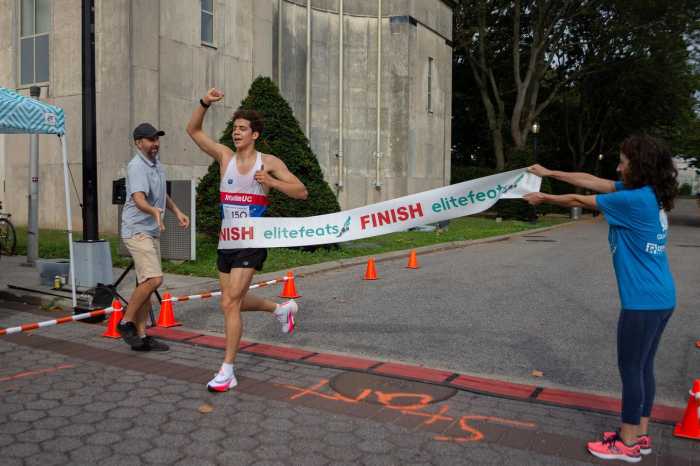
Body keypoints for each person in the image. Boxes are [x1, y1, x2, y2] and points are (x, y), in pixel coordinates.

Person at [524, 134, 677, 463]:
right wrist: (550, 172)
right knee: (643, 366)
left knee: (631, 368)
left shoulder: (633, 201)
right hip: (661, 297)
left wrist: (543, 198)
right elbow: (592, 182)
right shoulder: (647, 194)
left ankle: (627, 443)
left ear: (640, 165)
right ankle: (639, 434)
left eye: (624, 161)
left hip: (643, 302)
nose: (618, 166)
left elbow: (578, 200)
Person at [186, 88, 308, 393]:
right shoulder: (224, 156)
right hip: (227, 241)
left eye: (242, 129)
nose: (236, 132)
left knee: (229, 303)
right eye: (235, 128)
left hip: (252, 240)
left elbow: (302, 191)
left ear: (254, 134)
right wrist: (205, 103)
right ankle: (280, 310)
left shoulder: (267, 162)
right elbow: (193, 130)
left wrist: (272, 182)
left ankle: (227, 370)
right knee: (231, 303)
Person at [118, 123, 190, 351]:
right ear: (138, 143)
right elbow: (139, 199)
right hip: (136, 230)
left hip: (149, 230)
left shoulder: (157, 164)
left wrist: (177, 211)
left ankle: (141, 337)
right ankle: (125, 322)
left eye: (157, 139)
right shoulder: (137, 166)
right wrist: (154, 212)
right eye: (150, 140)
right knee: (154, 280)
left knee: (145, 284)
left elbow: (161, 195)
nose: (155, 143)